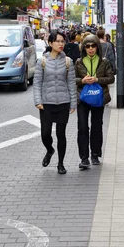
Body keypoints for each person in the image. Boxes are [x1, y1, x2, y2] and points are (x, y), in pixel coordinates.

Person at [33, 30, 77, 175]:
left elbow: (71, 83)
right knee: (45, 134)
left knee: (61, 134)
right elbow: (37, 83)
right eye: (57, 41)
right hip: (46, 103)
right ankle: (50, 150)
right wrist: (38, 101)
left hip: (63, 102)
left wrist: (73, 103)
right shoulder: (42, 61)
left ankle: (61, 164)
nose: (60, 44)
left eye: (62, 41)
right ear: (50, 43)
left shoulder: (68, 61)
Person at [75, 35, 115, 170]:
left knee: (97, 126)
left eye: (93, 46)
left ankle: (95, 154)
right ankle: (84, 158)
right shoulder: (78, 62)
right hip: (82, 98)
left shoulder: (104, 62)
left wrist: (97, 80)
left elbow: (111, 78)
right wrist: (82, 80)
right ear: (84, 48)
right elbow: (72, 79)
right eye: (87, 46)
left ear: (97, 47)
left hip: (99, 98)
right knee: (82, 127)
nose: (90, 49)